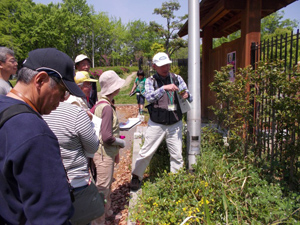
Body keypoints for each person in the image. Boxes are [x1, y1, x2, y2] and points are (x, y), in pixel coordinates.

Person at [0, 48, 86, 224]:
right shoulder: (35, 133)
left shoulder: (3, 107)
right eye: (63, 91)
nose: (63, 99)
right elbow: (51, 216)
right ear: (40, 80)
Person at [130, 52, 193, 191]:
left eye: (167, 64)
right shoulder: (150, 81)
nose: (166, 68)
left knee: (177, 155)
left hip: (175, 123)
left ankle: (176, 182)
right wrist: (164, 88)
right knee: (146, 151)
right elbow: (149, 97)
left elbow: (190, 97)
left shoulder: (177, 78)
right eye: (162, 65)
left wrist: (187, 95)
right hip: (156, 123)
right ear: (154, 66)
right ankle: (136, 176)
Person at [43, 99, 103, 224]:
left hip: (49, 185)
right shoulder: (75, 113)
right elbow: (93, 147)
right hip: (76, 181)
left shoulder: (36, 112)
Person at [90, 70, 126, 225]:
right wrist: (121, 142)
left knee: (104, 186)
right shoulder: (107, 108)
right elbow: (106, 136)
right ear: (114, 88)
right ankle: (99, 221)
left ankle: (107, 212)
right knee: (102, 188)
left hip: (98, 152)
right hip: (104, 154)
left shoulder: (99, 104)